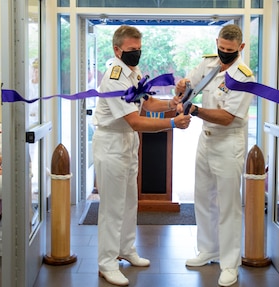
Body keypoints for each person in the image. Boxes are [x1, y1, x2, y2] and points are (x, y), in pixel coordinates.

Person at [92, 25, 191, 286]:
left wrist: (172, 104)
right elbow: (135, 120)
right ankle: (107, 263)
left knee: (128, 203)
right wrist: (171, 124)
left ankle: (126, 249)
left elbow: (146, 102)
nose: (136, 54)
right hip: (112, 143)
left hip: (126, 143)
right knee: (112, 208)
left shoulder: (131, 72)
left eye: (139, 49)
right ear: (117, 49)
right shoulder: (115, 76)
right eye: (131, 50)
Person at [175, 24, 254, 287]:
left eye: (230, 51)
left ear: (240, 48)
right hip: (205, 141)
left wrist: (195, 110)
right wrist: (182, 87)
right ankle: (208, 250)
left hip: (228, 143)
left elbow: (228, 117)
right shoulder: (209, 64)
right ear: (217, 42)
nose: (224, 54)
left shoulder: (244, 77)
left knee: (228, 205)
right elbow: (189, 86)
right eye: (221, 48)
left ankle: (230, 263)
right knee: (203, 198)